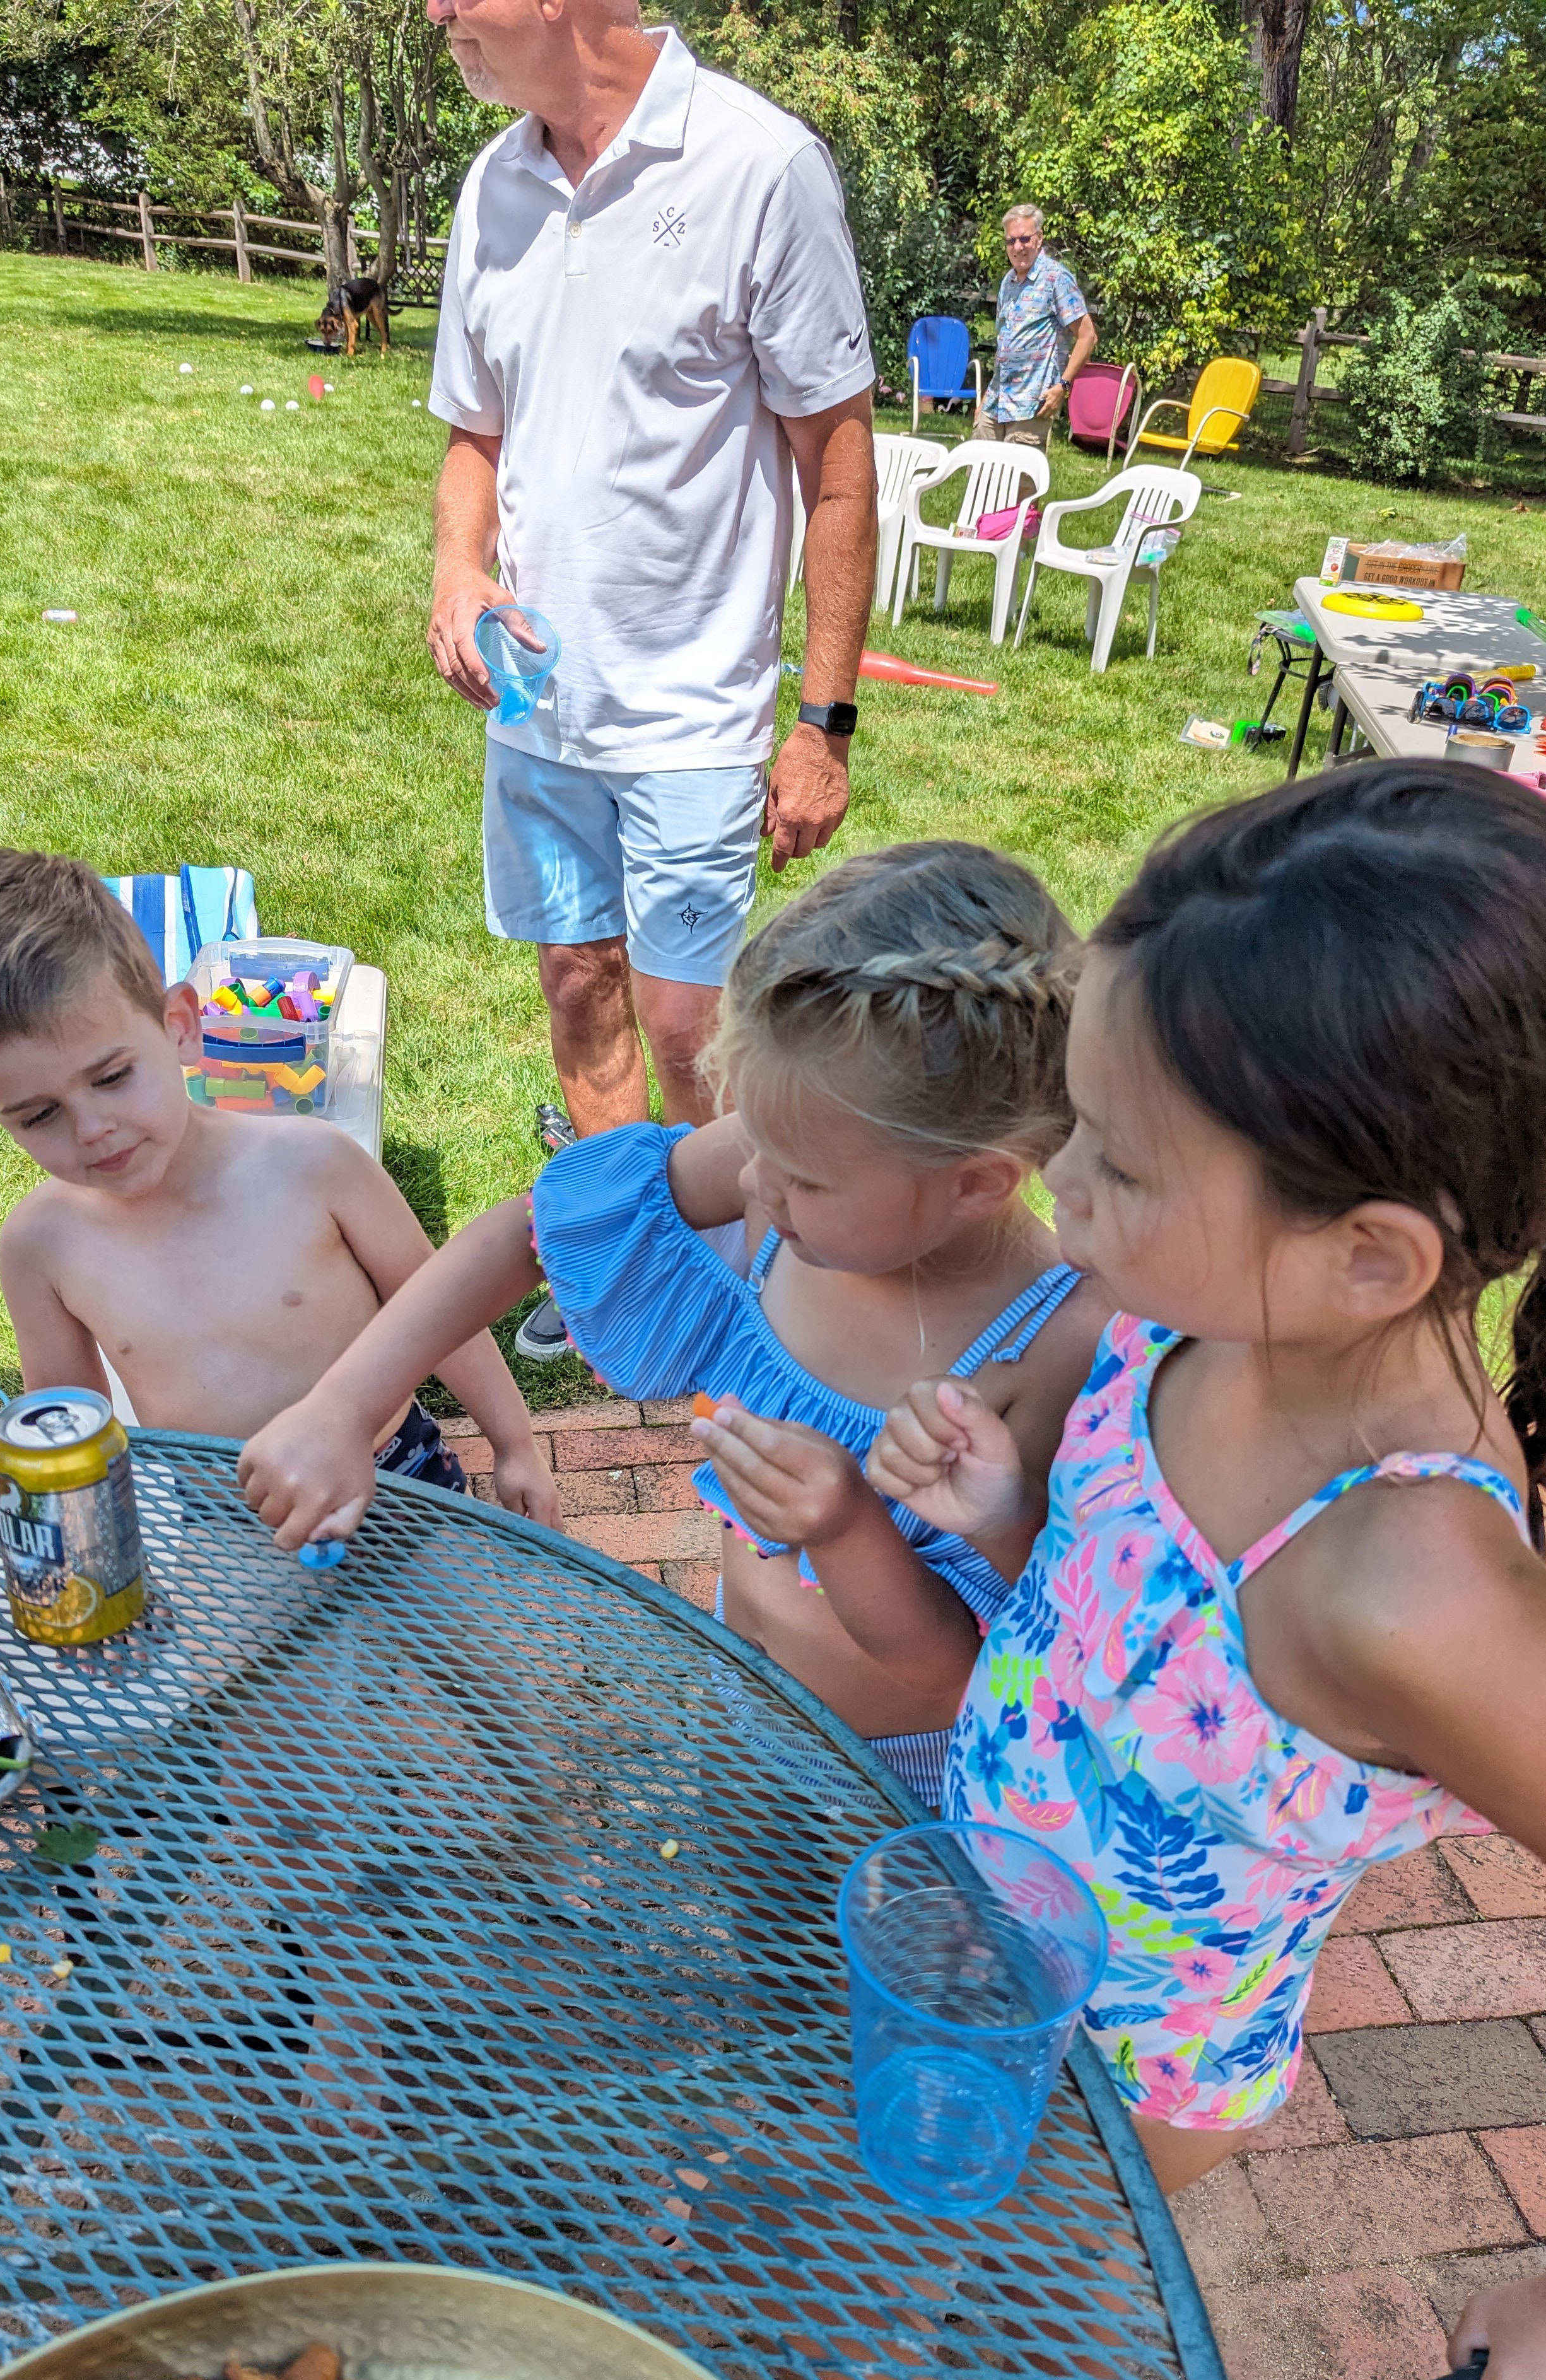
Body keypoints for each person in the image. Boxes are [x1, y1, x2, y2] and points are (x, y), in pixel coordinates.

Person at [865, 762, 1546, 2380]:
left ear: (1366, 1255)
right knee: (962, 2297)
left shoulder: (1407, 1586)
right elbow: (1156, 1647)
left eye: (1116, 1162)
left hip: (1123, 2073)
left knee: (1038, 2350)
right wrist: (1010, 1519)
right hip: (988, 1929)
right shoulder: (1190, 1317)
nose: (1058, 1188)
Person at [235, 843, 1105, 1800]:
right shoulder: (795, 1157)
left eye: (804, 1180)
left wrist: (846, 1527)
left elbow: (957, 1662)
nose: (756, 1182)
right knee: (740, 1888)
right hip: (737, 1696)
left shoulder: (1055, 1347)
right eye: (754, 1140)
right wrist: (345, 1407)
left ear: (975, 1182)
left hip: (901, 1779)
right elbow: (527, 1237)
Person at [422, 0, 879, 1360]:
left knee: (690, 1032)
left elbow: (839, 466)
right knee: (578, 984)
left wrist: (822, 723)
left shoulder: (759, 165)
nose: (434, 13)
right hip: (537, 705)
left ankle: (744, 1298)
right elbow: (474, 433)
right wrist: (457, 571)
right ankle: (624, 1272)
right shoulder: (495, 182)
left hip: (696, 709)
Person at [0, 847, 559, 1524]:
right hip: (223, 1516)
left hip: (396, 1478)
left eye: (112, 1078)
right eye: (38, 1115)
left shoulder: (315, 1164)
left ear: (179, 1025)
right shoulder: (39, 1246)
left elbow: (441, 1307)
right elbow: (68, 1430)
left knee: (448, 1606)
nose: (93, 1129)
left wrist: (515, 1444)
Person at [974, 204, 1096, 451]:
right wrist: (987, 396)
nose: (1018, 247)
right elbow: (1006, 344)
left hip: (1031, 403)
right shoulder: (1008, 282)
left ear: (1039, 239)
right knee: (979, 469)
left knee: (1017, 474)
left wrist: (1063, 386)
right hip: (997, 401)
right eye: (1011, 241)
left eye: (1024, 239)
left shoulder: (1056, 279)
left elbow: (1088, 337)